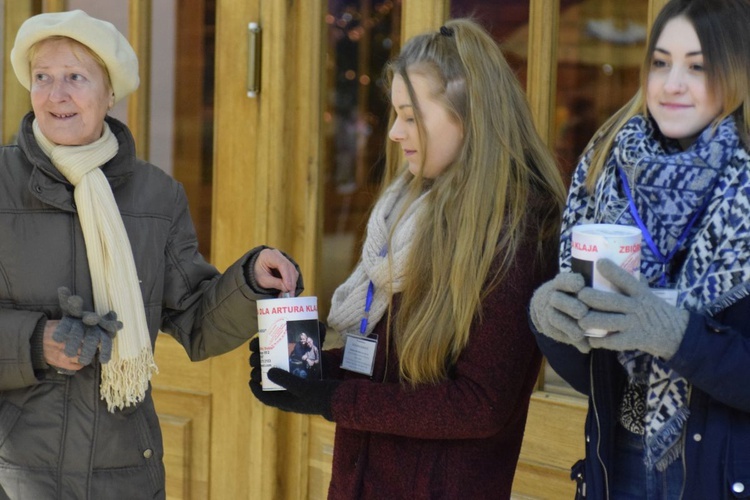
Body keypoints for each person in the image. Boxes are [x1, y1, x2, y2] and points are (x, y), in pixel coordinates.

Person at [250, 18, 567, 499]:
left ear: (470, 113)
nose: (395, 132)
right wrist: (311, 370)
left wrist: (336, 397)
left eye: (411, 115)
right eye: (395, 114)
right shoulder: (406, 211)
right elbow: (393, 369)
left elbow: (480, 404)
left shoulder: (517, 230)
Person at [0, 10, 302, 499]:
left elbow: (195, 323)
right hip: (15, 473)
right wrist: (37, 342)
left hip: (126, 475)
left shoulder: (157, 197)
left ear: (109, 92)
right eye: (42, 77)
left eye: (75, 77)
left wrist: (249, 281)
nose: (56, 95)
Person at [529, 0, 750, 498]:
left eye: (698, 66)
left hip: (718, 475)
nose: (672, 83)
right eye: (660, 62)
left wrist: (680, 337)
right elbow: (594, 371)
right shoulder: (602, 169)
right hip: (617, 464)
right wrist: (552, 322)